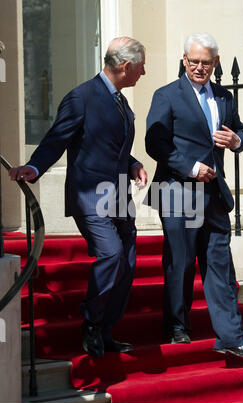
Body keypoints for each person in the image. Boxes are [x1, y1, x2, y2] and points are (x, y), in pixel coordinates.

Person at [9, 36, 148, 358]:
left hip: (118, 194)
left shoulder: (121, 101)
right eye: (141, 66)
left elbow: (111, 146)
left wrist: (134, 163)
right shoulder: (81, 97)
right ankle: (91, 321)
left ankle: (105, 329)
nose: (144, 71)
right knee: (111, 254)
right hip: (91, 194)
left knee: (126, 262)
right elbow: (57, 138)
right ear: (126, 66)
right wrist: (33, 165)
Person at [145, 33, 243, 360]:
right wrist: (190, 167)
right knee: (181, 261)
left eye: (206, 62)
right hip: (175, 190)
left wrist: (236, 140)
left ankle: (231, 337)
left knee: (219, 264)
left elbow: (240, 132)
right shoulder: (166, 95)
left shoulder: (224, 97)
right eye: (194, 61)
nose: (200, 67)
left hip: (213, 194)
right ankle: (176, 326)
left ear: (216, 62)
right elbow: (155, 144)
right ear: (185, 61)